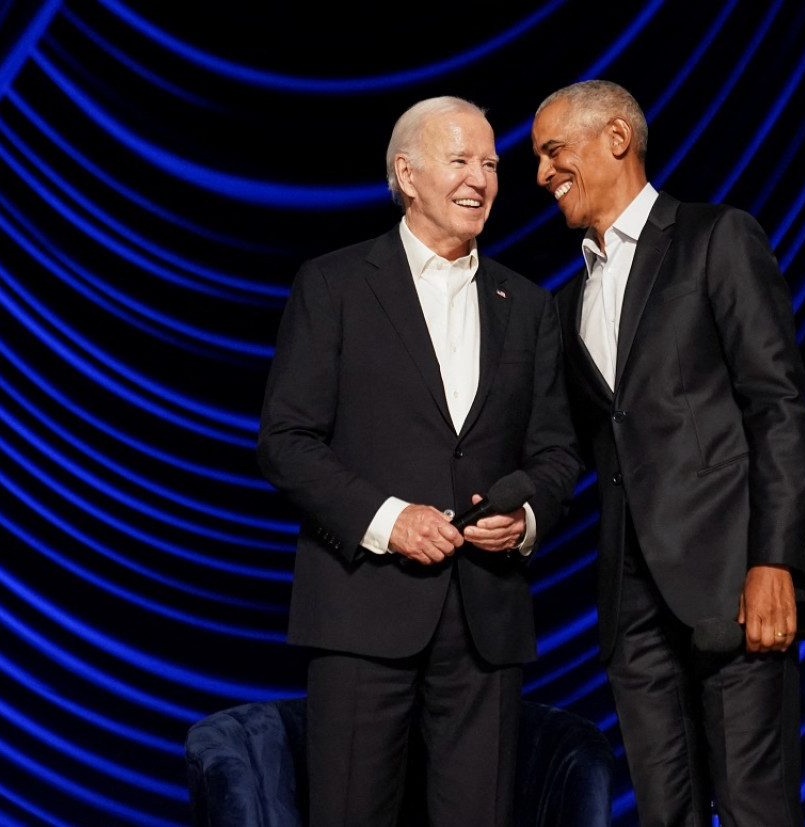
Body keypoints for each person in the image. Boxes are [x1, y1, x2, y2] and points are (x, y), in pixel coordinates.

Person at [258, 96, 581, 826]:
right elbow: (286, 441)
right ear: (407, 174)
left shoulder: (527, 305)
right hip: (362, 607)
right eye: (461, 159)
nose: (482, 178)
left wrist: (524, 513)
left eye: (493, 163)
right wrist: (388, 518)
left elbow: (557, 449)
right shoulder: (334, 285)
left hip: (485, 620)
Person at [531, 80, 805, 826]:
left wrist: (776, 562)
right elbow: (570, 445)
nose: (541, 174)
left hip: (734, 579)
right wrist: (519, 507)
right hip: (630, 603)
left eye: (552, 150)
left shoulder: (715, 238)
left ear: (615, 139)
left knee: (752, 806)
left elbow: (777, 405)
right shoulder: (566, 302)